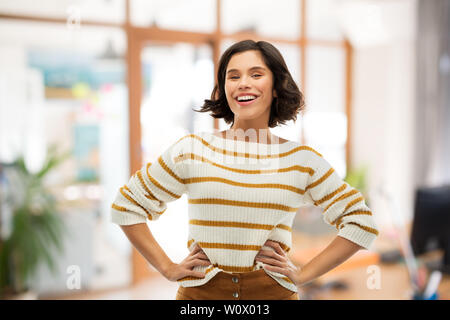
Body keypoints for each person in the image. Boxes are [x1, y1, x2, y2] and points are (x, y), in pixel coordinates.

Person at [111, 40, 379, 300]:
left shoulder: (302, 161)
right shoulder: (193, 150)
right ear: (224, 87)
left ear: (276, 86)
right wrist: (167, 268)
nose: (243, 83)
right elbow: (127, 205)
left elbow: (360, 221)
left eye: (256, 74)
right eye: (233, 76)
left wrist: (305, 273)